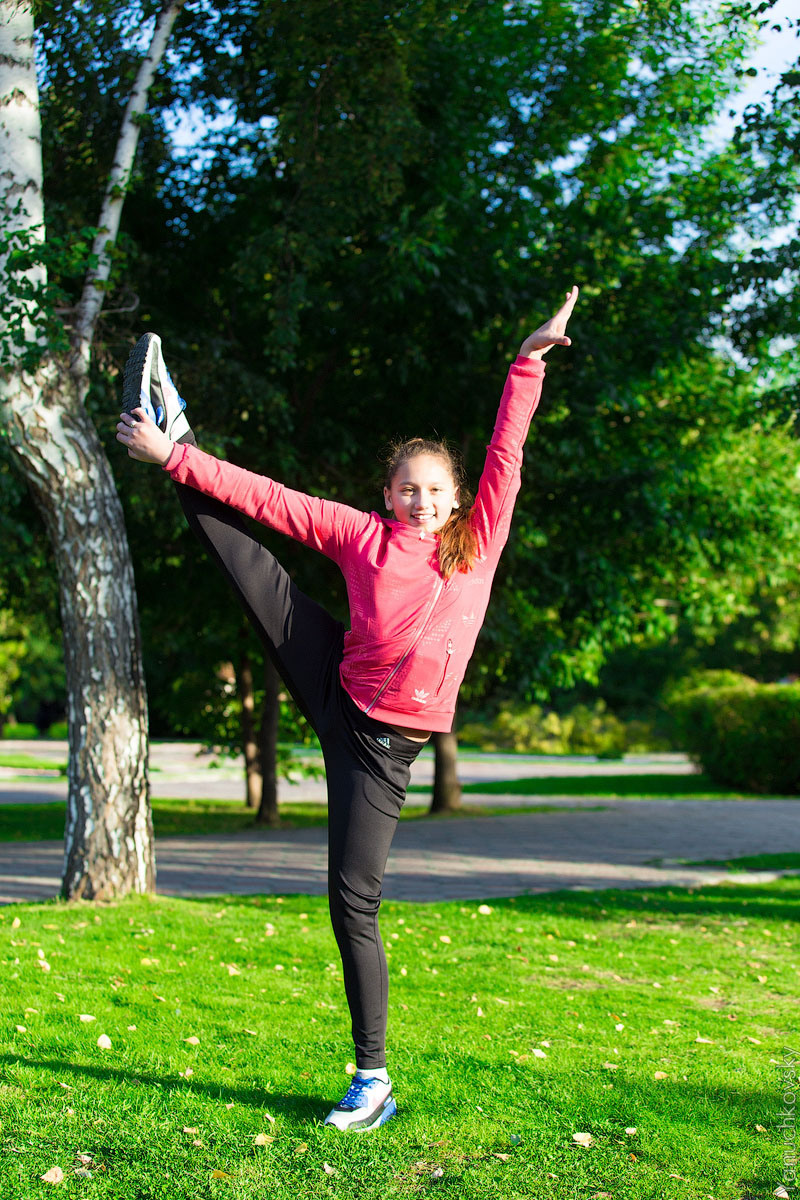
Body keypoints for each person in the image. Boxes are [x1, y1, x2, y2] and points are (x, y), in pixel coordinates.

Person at [116, 286, 578, 1131]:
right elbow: (272, 499)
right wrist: (173, 462)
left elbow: (507, 454)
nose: (422, 502)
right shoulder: (360, 535)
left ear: (454, 496)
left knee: (350, 900)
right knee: (246, 554)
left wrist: (527, 361)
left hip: (382, 748)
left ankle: (374, 1082)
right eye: (407, 489)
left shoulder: (478, 540)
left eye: (435, 490)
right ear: (389, 492)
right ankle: (173, 437)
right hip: (336, 676)